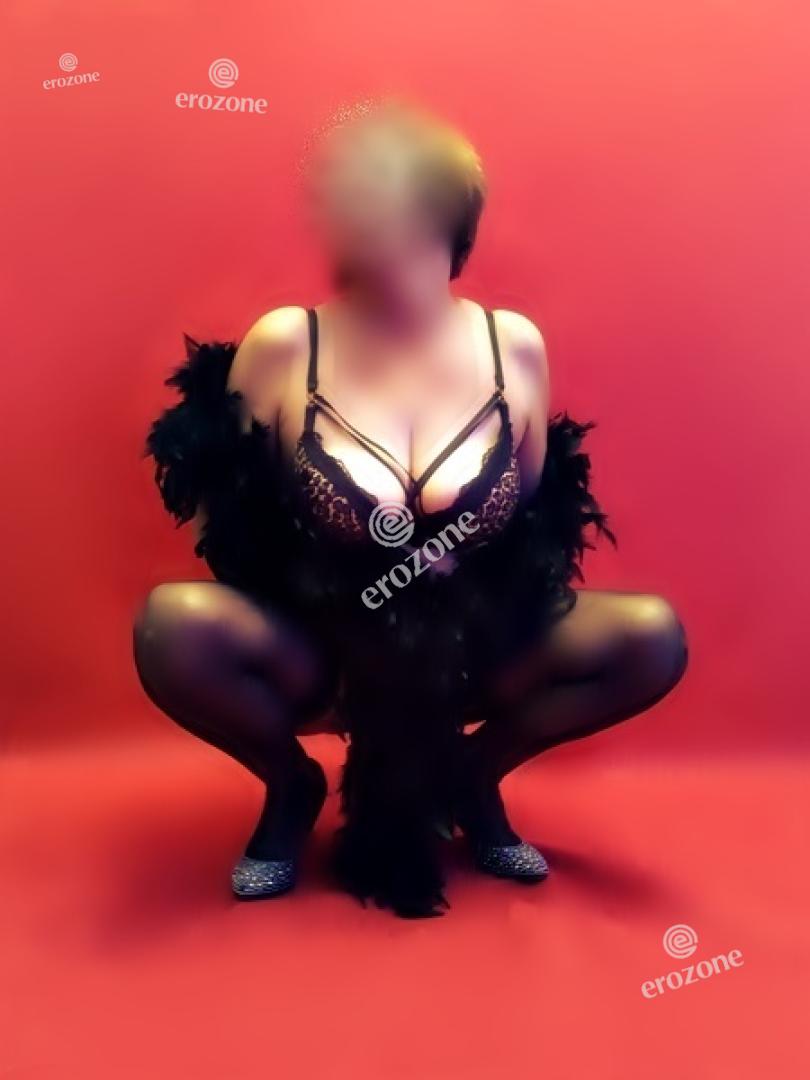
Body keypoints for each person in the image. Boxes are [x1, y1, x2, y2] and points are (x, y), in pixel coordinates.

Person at [133, 99, 688, 918]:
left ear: (442, 214)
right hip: (322, 650)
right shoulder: (285, 343)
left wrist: (455, 589)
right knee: (171, 628)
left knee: (651, 638)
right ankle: (291, 787)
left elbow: (534, 521)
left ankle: (472, 778)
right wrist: (340, 587)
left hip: (471, 652)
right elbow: (235, 526)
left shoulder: (513, 346)